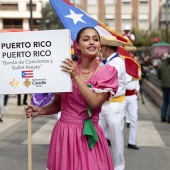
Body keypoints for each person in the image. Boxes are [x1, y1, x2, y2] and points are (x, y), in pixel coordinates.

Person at [25, 27, 119, 170]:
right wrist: (40, 110)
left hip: (89, 135)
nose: (92, 42)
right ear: (78, 46)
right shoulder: (64, 70)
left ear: (100, 45)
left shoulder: (107, 72)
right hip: (65, 134)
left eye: (95, 39)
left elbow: (94, 103)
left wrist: (76, 76)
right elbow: (58, 103)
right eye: (86, 39)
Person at [99, 36, 126, 170]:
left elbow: (107, 80)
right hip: (103, 105)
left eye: (101, 47)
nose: (100, 49)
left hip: (114, 105)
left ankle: (119, 167)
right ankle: (98, 164)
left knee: (116, 139)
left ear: (107, 48)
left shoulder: (117, 63)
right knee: (97, 136)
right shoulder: (106, 62)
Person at [124, 45, 140, 150]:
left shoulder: (135, 65)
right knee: (117, 120)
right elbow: (121, 81)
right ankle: (109, 138)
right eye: (129, 53)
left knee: (134, 119)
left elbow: (137, 79)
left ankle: (132, 141)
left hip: (132, 96)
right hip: (122, 97)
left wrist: (137, 88)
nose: (131, 55)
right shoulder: (122, 64)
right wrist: (131, 78)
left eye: (132, 53)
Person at [157, 53, 170, 123]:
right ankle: (169, 117)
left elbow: (158, 76)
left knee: (165, 102)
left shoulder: (161, 65)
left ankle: (163, 116)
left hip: (164, 86)